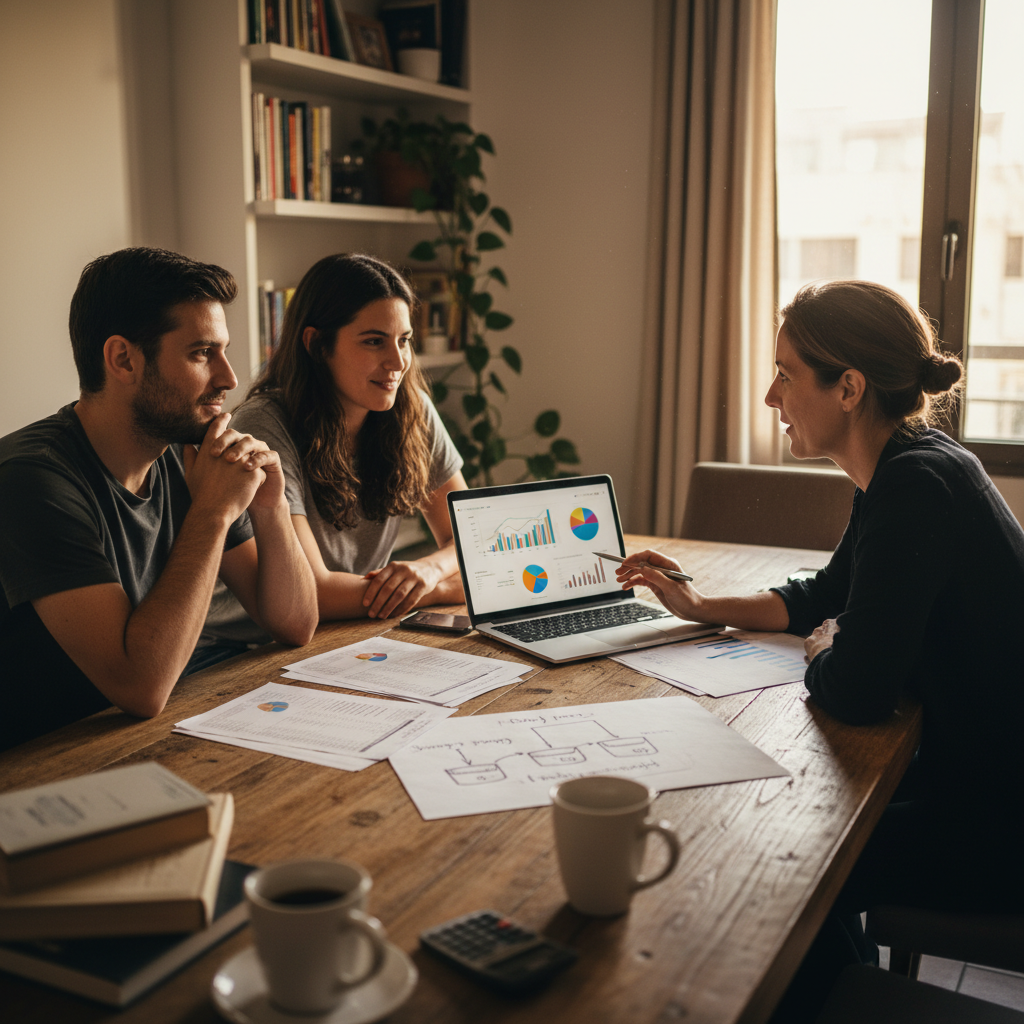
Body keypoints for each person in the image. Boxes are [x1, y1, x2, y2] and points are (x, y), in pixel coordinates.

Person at [616, 280, 1024, 1021]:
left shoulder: (916, 486)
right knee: (796, 843)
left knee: (786, 868)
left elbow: (858, 688)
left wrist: (824, 650)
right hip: (974, 778)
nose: (772, 397)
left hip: (1001, 821)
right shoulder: (902, 469)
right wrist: (700, 605)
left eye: (786, 374)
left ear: (849, 388)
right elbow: (824, 593)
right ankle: (845, 990)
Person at [0, 248, 318, 751]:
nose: (229, 378)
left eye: (224, 351)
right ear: (123, 359)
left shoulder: (184, 453)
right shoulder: (30, 479)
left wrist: (269, 503)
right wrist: (212, 513)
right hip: (42, 763)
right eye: (201, 353)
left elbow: (294, 622)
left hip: (149, 733)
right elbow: (140, 686)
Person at [202, 253, 466, 645]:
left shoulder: (413, 411)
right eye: (375, 341)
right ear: (317, 344)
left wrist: (427, 570)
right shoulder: (265, 424)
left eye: (405, 341)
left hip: (351, 630)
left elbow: (476, 542)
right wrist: (439, 588)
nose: (398, 362)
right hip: (243, 650)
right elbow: (317, 592)